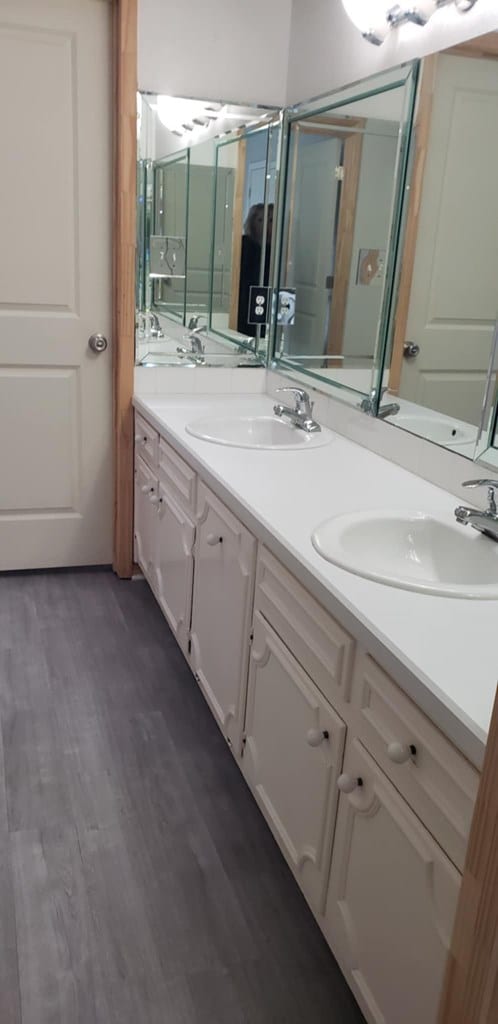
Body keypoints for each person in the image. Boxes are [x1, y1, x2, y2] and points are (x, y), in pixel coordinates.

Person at [237, 203, 273, 336]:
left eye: (270, 220)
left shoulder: (279, 249)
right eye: (260, 220)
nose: (265, 225)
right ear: (252, 223)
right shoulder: (245, 244)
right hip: (245, 301)